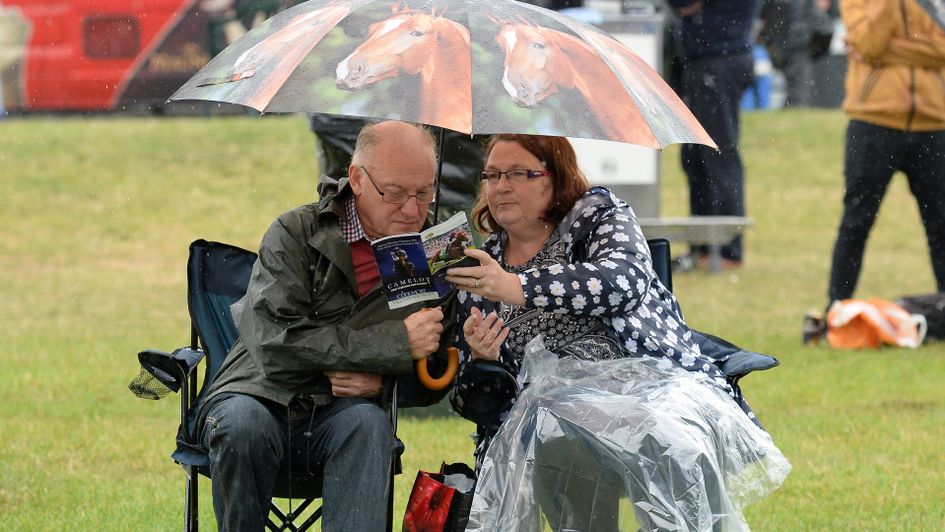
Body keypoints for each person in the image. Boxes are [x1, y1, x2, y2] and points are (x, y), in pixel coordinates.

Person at [445, 134, 789, 531]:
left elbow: (623, 283)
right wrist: (484, 360)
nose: (501, 186)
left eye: (520, 173)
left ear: (555, 177)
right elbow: (476, 406)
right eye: (492, 174)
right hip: (549, 420)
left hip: (646, 384)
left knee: (667, 437)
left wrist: (517, 287)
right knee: (557, 427)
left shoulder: (598, 216)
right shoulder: (480, 267)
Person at [196, 120, 456, 531]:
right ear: (356, 178)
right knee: (243, 424)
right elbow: (276, 346)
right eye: (395, 193)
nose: (412, 208)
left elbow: (434, 372)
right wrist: (390, 344)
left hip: (343, 414)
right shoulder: (295, 231)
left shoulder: (433, 254)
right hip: (260, 394)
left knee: (370, 426)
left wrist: (384, 384)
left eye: (424, 192)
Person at [826, 0, 945, 307]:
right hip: (873, 123)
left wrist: (890, 52)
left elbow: (942, 48)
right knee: (857, 220)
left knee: (941, 223)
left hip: (934, 124)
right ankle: (836, 309)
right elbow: (868, 44)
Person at [666, 0, 757, 270]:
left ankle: (728, 250)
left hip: (719, 58)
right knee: (696, 157)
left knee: (717, 156)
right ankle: (703, 246)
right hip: (705, 59)